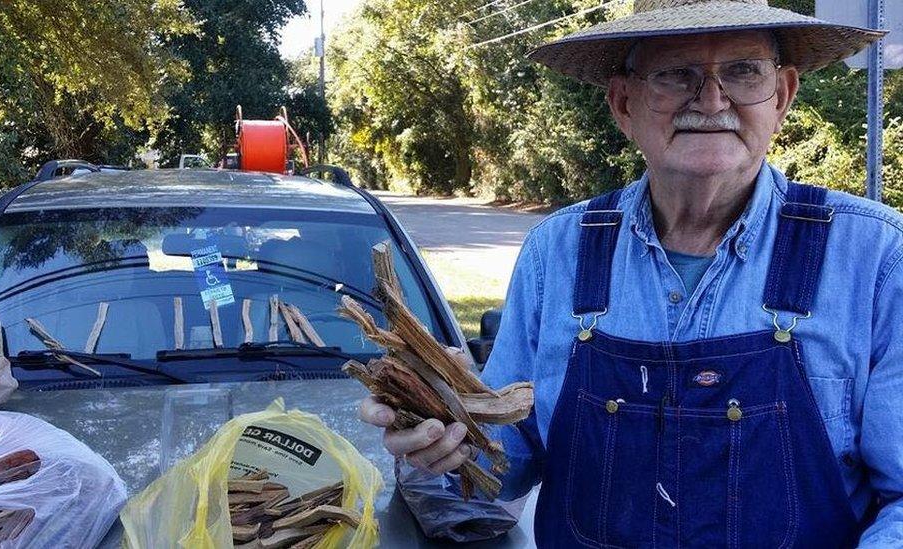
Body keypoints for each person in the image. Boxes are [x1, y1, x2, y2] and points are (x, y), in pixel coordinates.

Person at [359, 0, 901, 546]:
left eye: (743, 71)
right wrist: (439, 433)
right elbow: (503, 469)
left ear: (781, 95)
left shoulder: (875, 256)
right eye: (675, 74)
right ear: (624, 104)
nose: (712, 100)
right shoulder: (559, 250)